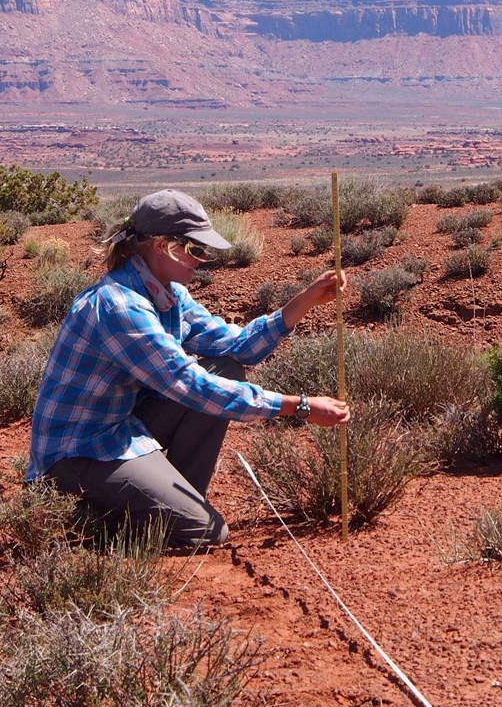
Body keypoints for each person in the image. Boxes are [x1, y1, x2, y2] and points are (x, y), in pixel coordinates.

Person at [25, 188, 350, 548]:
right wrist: (299, 407)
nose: (202, 260)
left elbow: (238, 347)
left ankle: (170, 503)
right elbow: (189, 384)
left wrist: (306, 299)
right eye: (196, 250)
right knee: (207, 531)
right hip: (78, 453)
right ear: (163, 246)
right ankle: (99, 522)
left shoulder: (168, 294)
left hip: (120, 429)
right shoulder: (121, 307)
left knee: (225, 368)